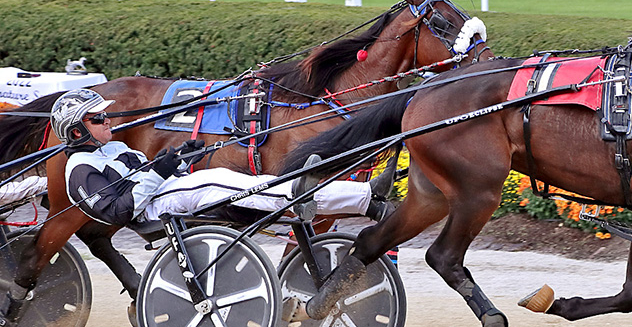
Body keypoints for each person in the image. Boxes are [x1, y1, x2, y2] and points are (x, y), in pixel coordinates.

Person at [51, 89, 393, 230]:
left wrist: (180, 160)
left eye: (104, 115)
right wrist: (159, 171)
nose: (108, 120)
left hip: (171, 191)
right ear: (77, 132)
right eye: (97, 119)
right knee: (232, 182)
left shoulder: (111, 150)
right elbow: (119, 211)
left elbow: (146, 173)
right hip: (157, 208)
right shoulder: (80, 170)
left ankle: (365, 198)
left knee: (250, 184)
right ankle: (343, 199)